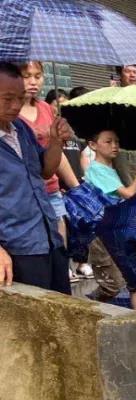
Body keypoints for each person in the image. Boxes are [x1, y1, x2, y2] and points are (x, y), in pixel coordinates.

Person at [0, 62, 74, 293]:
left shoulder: (20, 128)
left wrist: (55, 141)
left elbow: (45, 171)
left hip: (48, 239)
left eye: (20, 98)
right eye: (7, 98)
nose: (15, 106)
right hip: (16, 250)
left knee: (64, 316)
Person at [17, 62, 82, 278]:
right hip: (25, 194)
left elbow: (58, 156)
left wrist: (77, 188)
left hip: (51, 189)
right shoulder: (10, 113)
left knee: (59, 250)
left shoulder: (46, 109)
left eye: (38, 76)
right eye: (27, 76)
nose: (33, 82)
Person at [82, 128, 136, 308]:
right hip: (103, 234)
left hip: (118, 230)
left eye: (117, 142)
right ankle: (88, 306)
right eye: (108, 141)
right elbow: (128, 194)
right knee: (112, 285)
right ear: (92, 145)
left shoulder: (112, 169)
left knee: (135, 280)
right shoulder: (97, 170)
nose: (114, 146)